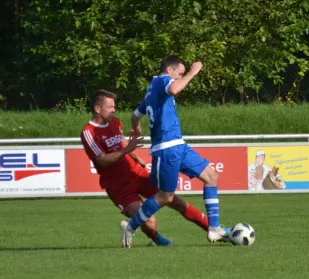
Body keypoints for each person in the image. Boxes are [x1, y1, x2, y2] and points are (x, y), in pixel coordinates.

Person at [120, 55, 230, 246]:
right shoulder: (163, 81)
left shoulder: (152, 89)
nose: (179, 77)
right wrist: (192, 72)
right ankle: (130, 227)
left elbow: (136, 115)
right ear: (169, 70)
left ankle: (214, 228)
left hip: (178, 145)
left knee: (212, 176)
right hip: (167, 149)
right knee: (165, 196)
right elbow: (174, 88)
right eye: (179, 73)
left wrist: (136, 128)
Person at [80, 89, 211, 247]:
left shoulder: (115, 122)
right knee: (149, 221)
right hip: (118, 186)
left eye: (114, 106)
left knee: (172, 199)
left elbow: (121, 141)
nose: (114, 110)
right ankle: (158, 241)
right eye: (110, 107)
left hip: (136, 173)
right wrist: (127, 150)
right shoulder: (89, 132)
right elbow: (102, 161)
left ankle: (213, 229)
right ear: (97, 109)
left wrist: (137, 157)